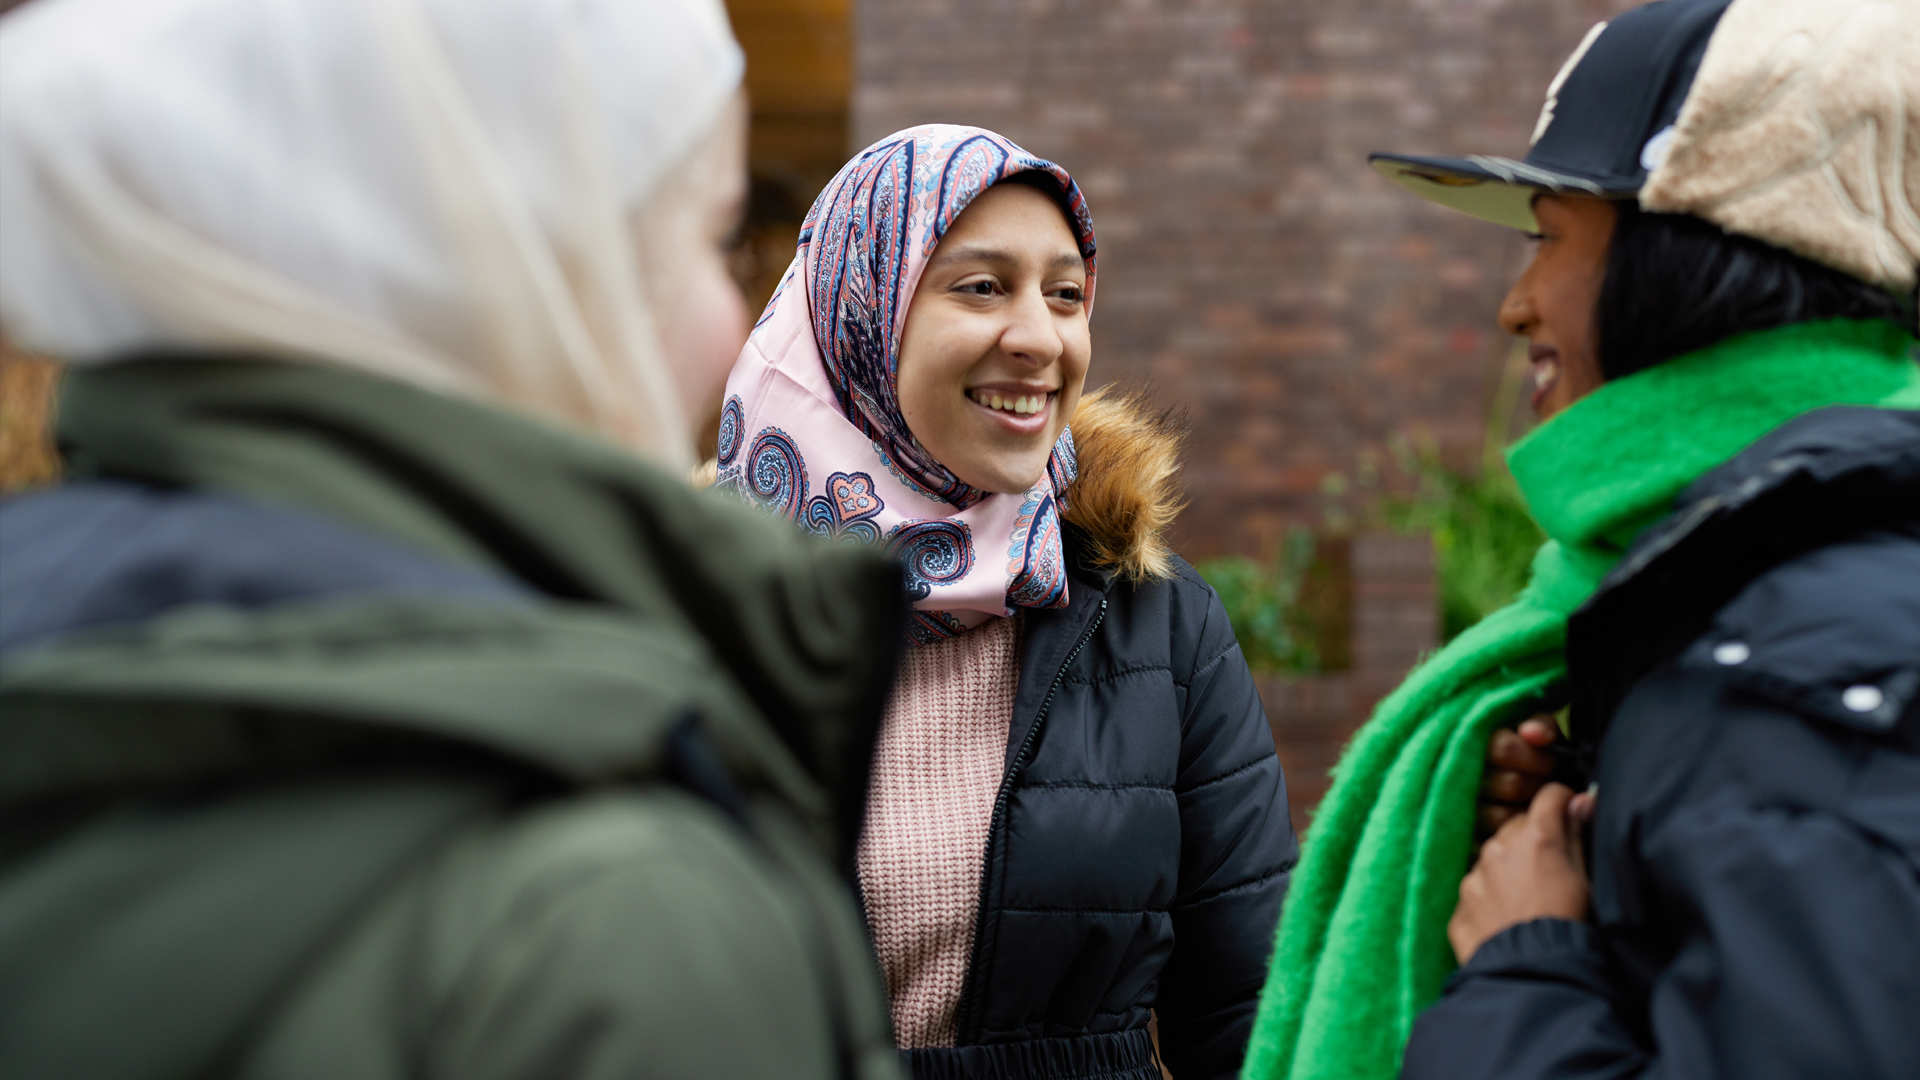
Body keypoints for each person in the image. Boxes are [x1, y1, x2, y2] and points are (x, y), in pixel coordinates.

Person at [0, 0, 908, 1076]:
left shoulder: (66, 649)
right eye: (716, 241)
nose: (739, 325)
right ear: (502, 276)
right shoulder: (613, 922)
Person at [1242, 1, 1920, 1077]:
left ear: (1690, 267)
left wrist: (1527, 963)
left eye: (1548, 239)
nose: (1517, 306)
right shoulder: (1764, 604)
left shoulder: (1799, 677)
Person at [720, 125, 1299, 1079]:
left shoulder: (1156, 621)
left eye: (1066, 294)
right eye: (981, 285)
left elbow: (1255, 1021)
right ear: (858, 310)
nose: (1039, 338)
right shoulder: (695, 609)